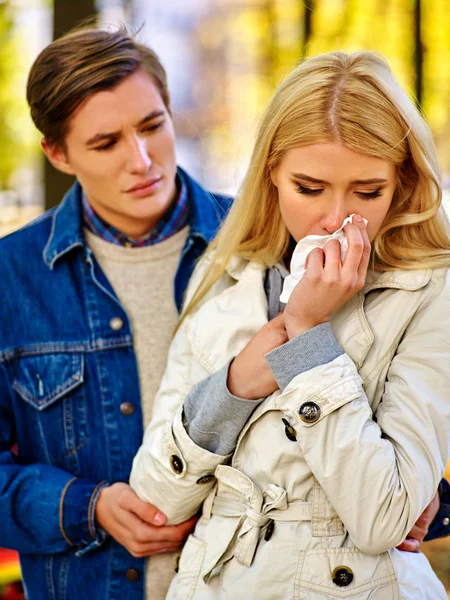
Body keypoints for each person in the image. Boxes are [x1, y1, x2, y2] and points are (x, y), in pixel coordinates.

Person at [130, 50, 450, 599]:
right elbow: (155, 496)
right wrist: (233, 386)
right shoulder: (224, 272)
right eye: (309, 187)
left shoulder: (431, 290)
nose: (336, 217)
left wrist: (306, 334)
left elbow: (383, 519)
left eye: (368, 192)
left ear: (402, 182)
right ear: (271, 174)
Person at [0, 26, 232, 600]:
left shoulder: (260, 244)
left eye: (153, 126)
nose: (143, 159)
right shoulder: (9, 278)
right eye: (106, 144)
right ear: (58, 153)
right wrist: (90, 507)